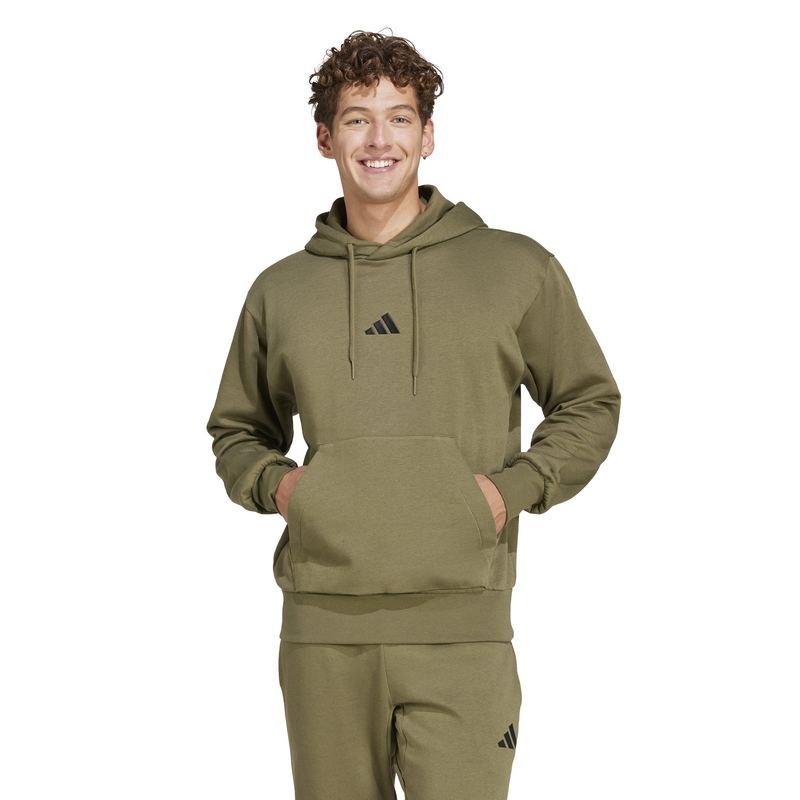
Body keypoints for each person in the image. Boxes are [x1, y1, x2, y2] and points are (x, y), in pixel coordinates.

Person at [206, 28, 621, 800]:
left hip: (465, 631)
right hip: (324, 636)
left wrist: (506, 492)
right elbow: (237, 431)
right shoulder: (281, 290)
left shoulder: (514, 268)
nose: (379, 139)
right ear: (325, 138)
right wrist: (288, 489)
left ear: (428, 136)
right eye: (357, 118)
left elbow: (589, 402)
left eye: (399, 118)